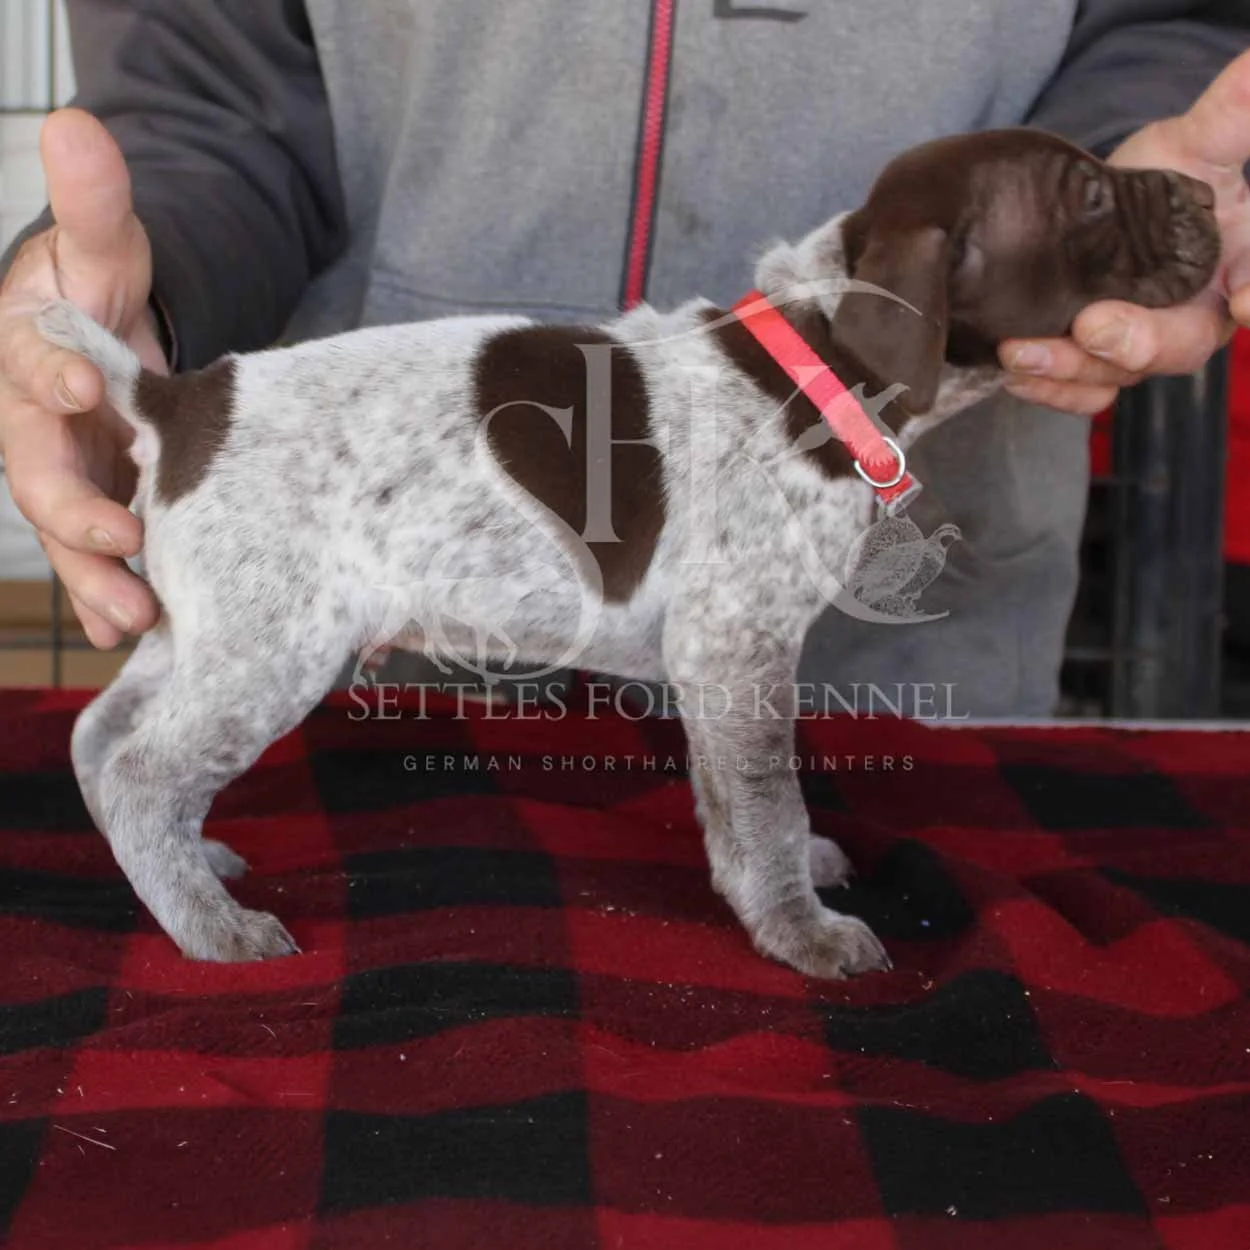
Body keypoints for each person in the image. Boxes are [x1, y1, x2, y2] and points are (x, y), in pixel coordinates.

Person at [1, 1, 1249, 716]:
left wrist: (1099, 206)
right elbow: (211, 78)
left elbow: (1167, 15)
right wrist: (147, 280)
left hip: (903, 643)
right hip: (377, 580)